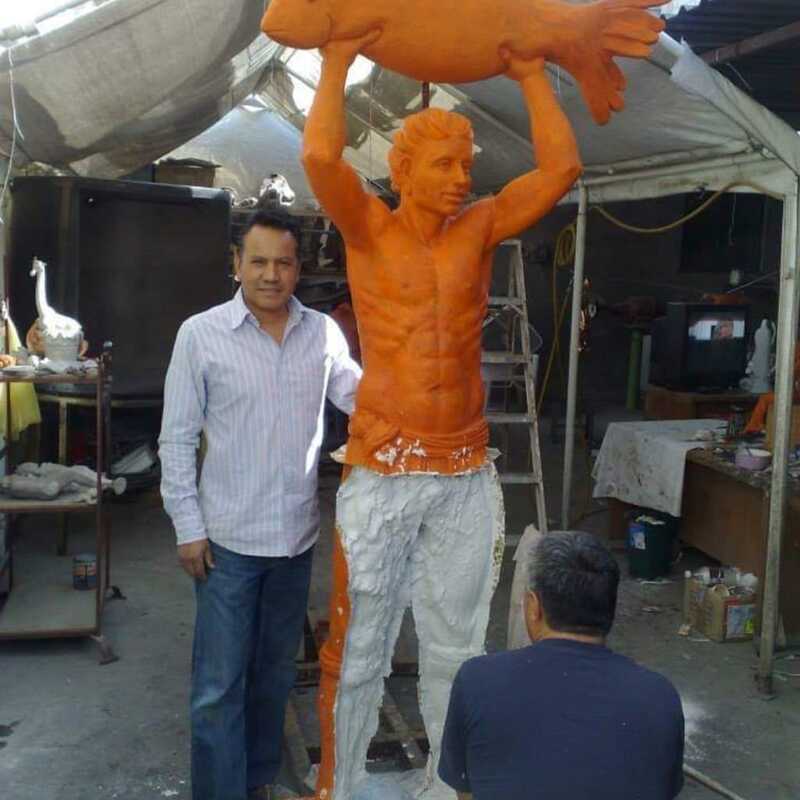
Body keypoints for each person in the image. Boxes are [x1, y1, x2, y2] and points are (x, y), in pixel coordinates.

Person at [301, 28, 583, 800]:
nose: (462, 178)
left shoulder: (480, 229)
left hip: (462, 465)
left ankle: (445, 786)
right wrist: (336, 60)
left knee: (458, 646)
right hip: (385, 462)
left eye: (466, 164)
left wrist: (530, 73)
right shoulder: (368, 228)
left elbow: (562, 168)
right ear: (404, 170)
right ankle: (339, 787)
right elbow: (321, 157)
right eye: (445, 165)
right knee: (360, 642)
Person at [158, 209, 361, 800]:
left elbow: (361, 398)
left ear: (299, 268)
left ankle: (257, 782)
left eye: (284, 263)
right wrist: (188, 528)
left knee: (273, 676)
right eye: (259, 262)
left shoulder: (322, 333)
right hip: (226, 545)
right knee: (218, 687)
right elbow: (176, 439)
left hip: (294, 541)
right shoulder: (201, 335)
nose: (271, 275)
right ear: (237, 264)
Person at [439, 531, 685, 800]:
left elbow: (466, 793)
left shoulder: (477, 682)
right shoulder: (659, 697)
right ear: (610, 609)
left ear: (533, 607)